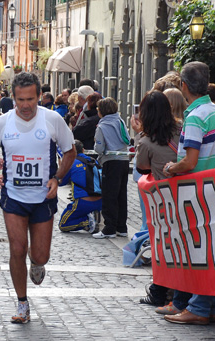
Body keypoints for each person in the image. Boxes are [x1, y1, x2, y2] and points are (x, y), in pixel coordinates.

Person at [0, 72, 76, 323]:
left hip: (43, 197)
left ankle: (37, 261)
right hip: (13, 196)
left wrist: (57, 178)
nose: (26, 105)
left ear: (38, 98)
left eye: (31, 99)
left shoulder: (53, 119)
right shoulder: (1, 124)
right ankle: (22, 303)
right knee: (17, 248)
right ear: (13, 98)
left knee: (40, 255)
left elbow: (70, 151)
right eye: (21, 100)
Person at [161, 61, 215, 326]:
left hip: (195, 190)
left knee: (199, 251)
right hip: (213, 188)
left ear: (183, 86)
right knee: (209, 248)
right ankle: (210, 306)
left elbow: (189, 160)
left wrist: (171, 167)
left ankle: (199, 307)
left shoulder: (196, 116)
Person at [131, 90, 181, 307]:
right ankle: (168, 291)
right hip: (187, 194)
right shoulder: (182, 129)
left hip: (164, 199)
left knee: (162, 246)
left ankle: (159, 291)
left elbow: (141, 167)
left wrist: (139, 133)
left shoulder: (147, 141)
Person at [93, 97, 131, 239]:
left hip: (111, 162)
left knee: (109, 196)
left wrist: (97, 147)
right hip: (124, 161)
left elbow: (99, 148)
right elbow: (126, 139)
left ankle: (109, 228)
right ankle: (122, 227)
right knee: (122, 195)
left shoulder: (102, 126)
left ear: (102, 111)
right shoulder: (120, 121)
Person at [58, 140, 102, 233]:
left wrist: (61, 167)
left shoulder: (71, 163)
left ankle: (87, 222)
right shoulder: (94, 161)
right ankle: (92, 214)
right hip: (100, 200)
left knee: (63, 225)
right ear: (83, 150)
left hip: (82, 202)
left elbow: (61, 182)